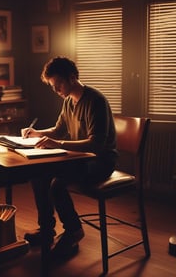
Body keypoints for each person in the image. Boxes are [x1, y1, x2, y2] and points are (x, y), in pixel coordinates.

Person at [21, 56, 117, 259]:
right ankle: (47, 230)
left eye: (58, 85)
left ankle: (74, 231)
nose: (56, 91)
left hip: (100, 162)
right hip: (78, 159)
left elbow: (96, 144)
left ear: (72, 78)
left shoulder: (95, 100)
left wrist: (59, 144)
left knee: (57, 184)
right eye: (53, 86)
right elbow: (59, 130)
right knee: (38, 174)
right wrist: (36, 133)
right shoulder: (69, 102)